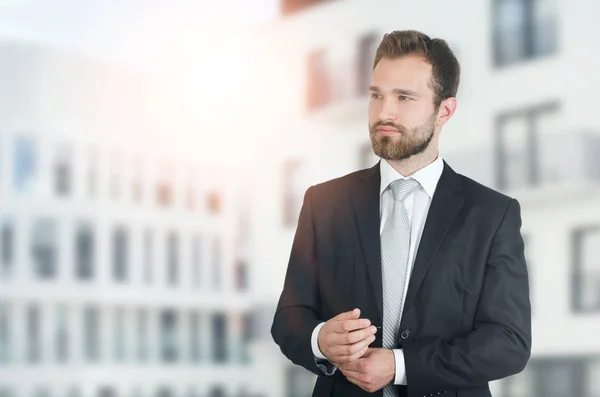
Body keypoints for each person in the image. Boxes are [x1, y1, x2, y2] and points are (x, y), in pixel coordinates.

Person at [270, 30, 531, 397]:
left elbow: (509, 342)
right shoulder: (322, 202)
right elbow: (289, 319)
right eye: (376, 95)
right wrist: (319, 341)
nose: (384, 112)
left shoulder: (492, 214)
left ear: (445, 110)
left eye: (404, 97)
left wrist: (401, 365)